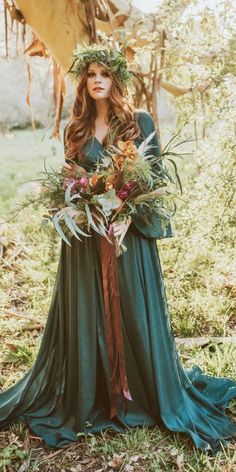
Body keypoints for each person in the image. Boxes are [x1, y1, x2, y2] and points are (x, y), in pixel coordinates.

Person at [0, 44, 236, 455]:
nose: (97, 81)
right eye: (90, 74)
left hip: (128, 238)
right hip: (89, 240)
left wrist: (128, 210)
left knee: (135, 314)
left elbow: (155, 178)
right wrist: (75, 201)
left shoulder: (138, 122)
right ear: (84, 82)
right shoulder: (77, 128)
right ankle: (94, 391)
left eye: (104, 74)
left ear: (116, 80)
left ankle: (141, 389)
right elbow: (70, 180)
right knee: (91, 313)